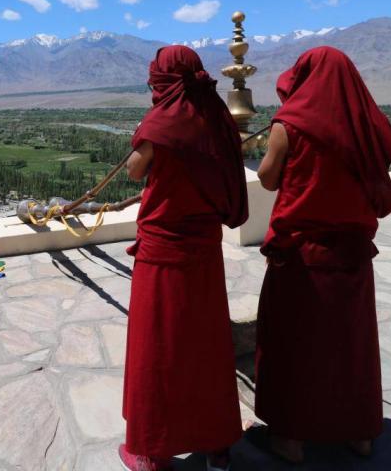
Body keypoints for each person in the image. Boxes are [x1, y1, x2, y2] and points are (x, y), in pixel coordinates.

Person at [254, 46, 391, 463]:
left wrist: (274, 140)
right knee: (348, 346)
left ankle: (291, 439)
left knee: (294, 345)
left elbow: (267, 179)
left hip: (301, 256)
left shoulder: (290, 125)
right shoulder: (366, 125)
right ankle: (358, 434)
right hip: (353, 255)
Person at [120, 45, 248, 471]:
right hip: (205, 251)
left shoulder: (163, 122)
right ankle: (218, 447)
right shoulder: (218, 117)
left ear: (163, 79)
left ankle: (152, 450)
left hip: (165, 254)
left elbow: (135, 170)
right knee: (207, 346)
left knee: (160, 348)